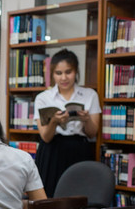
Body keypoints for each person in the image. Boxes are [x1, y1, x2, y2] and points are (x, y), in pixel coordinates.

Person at [34, 48, 101, 197]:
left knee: (78, 197)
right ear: (52, 74)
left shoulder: (90, 95)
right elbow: (45, 137)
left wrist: (87, 119)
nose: (64, 78)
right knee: (50, 198)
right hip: (52, 151)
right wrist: (54, 122)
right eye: (58, 73)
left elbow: (92, 133)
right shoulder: (43, 98)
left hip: (79, 150)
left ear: (76, 71)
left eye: (68, 72)